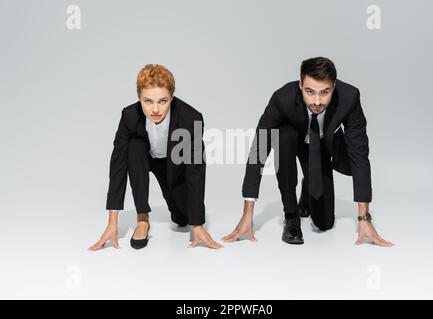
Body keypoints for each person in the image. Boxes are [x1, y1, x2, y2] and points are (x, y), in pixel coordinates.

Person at [223, 57, 394, 247]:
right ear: (300, 85)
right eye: (310, 92)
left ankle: (307, 189)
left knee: (325, 223)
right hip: (290, 141)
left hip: (319, 146)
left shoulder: (349, 97)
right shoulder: (282, 99)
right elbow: (259, 150)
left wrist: (364, 219)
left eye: (325, 92)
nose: (317, 101)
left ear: (334, 87)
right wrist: (248, 214)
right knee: (284, 137)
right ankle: (291, 216)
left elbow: (359, 153)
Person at [89, 64, 222, 250]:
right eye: (148, 101)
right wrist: (112, 223)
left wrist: (197, 224)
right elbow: (117, 166)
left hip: (172, 163)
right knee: (134, 147)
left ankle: (185, 214)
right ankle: (142, 218)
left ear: (172, 98)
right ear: (139, 98)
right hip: (142, 158)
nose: (156, 110)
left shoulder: (191, 119)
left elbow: (195, 171)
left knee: (182, 219)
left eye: (163, 101)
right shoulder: (128, 116)